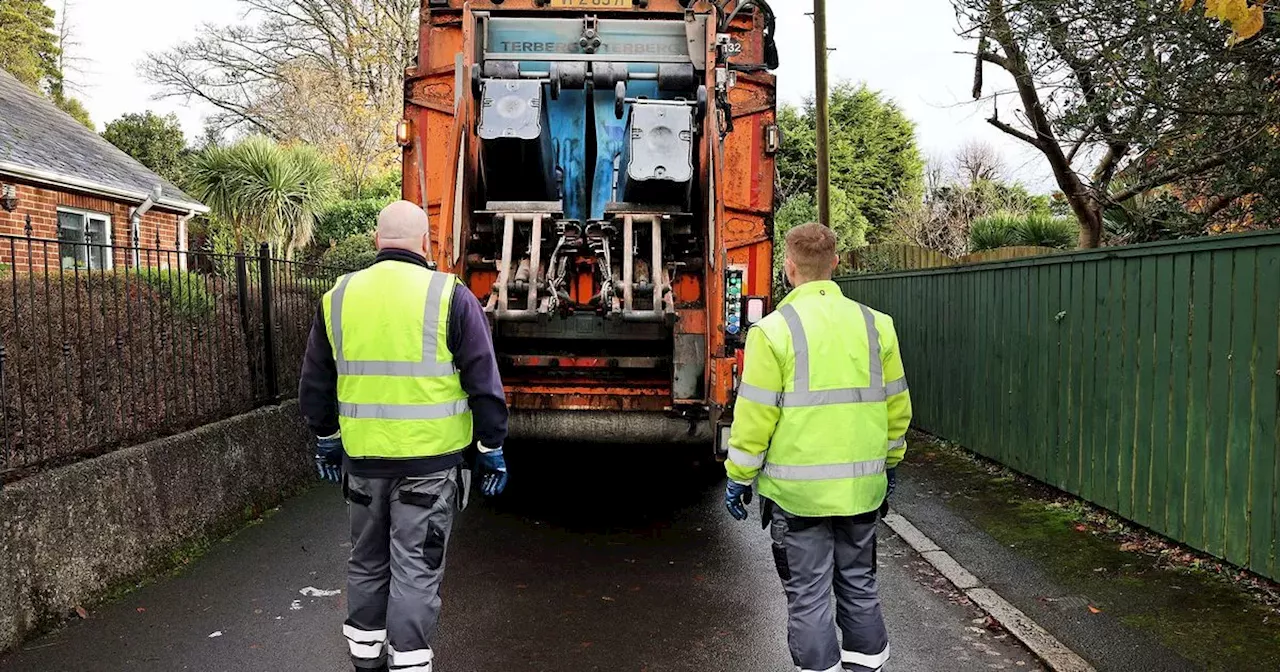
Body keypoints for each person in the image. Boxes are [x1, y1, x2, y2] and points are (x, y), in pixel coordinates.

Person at [299, 200, 510, 672]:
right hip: (430, 468)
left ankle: (365, 659)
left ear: (376, 241)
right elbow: (484, 383)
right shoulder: (449, 296)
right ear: (426, 243)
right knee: (415, 567)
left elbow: (315, 382)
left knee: (367, 560)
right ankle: (411, 662)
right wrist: (490, 447)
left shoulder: (339, 296)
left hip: (363, 463)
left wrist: (326, 436)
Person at [723, 222, 912, 672]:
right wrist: (889, 464)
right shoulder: (877, 326)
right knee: (860, 585)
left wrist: (739, 477)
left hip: (798, 499)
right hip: (862, 494)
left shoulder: (771, 332)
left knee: (808, 596)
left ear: (789, 268)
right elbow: (896, 408)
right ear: (836, 264)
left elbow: (754, 419)